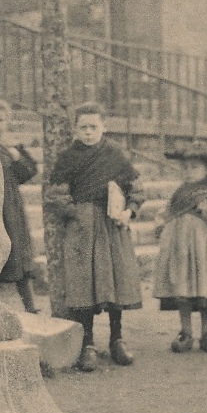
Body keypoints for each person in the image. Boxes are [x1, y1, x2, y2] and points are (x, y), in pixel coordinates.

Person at [49, 102, 143, 371]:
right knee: (84, 283)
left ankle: (117, 339)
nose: (88, 132)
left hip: (112, 225)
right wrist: (75, 212)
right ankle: (87, 343)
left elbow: (137, 189)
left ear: (104, 127)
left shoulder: (115, 155)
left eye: (94, 127)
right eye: (83, 127)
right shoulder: (68, 158)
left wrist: (129, 211)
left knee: (115, 280)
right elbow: (56, 195)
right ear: (74, 129)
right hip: (82, 228)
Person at [153, 143, 207, 354]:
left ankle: (206, 333)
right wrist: (161, 221)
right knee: (182, 287)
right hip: (180, 247)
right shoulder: (179, 193)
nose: (189, 171)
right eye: (185, 167)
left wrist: (203, 207)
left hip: (204, 247)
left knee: (206, 288)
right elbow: (168, 212)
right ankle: (186, 331)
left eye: (194, 167)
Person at [0, 97, 40, 313]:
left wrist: (17, 158)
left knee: (19, 255)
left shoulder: (11, 148)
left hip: (11, 208)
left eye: (1, 120)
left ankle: (30, 306)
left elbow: (28, 173)